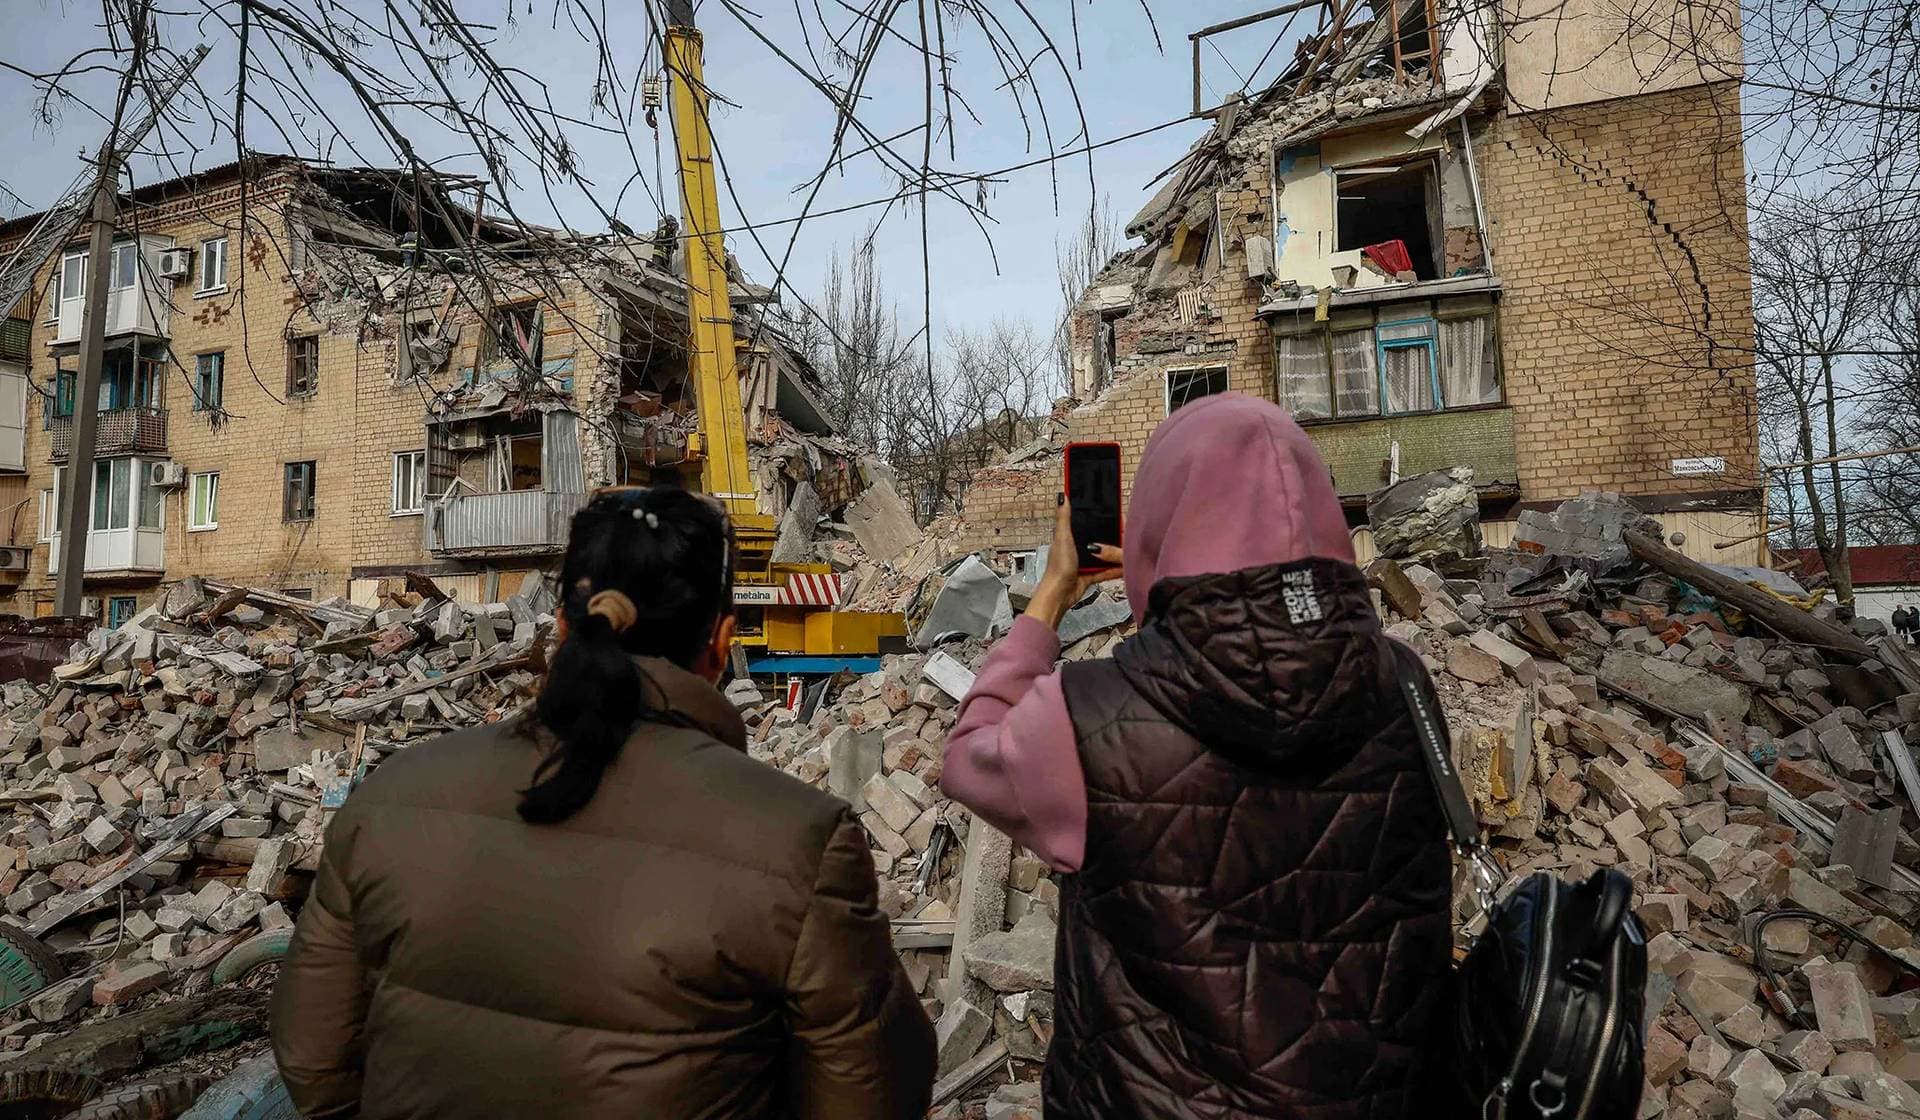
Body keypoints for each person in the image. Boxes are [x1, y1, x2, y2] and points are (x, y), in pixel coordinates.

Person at [271, 485, 935, 1119]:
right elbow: (874, 1094)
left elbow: (313, 1061)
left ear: (562, 624)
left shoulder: (390, 797)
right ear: (722, 640)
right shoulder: (801, 842)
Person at [943, 394, 1452, 1120]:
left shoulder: (1086, 716)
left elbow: (968, 757)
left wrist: (1052, 595)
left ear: (1158, 526)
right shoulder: (1404, 684)